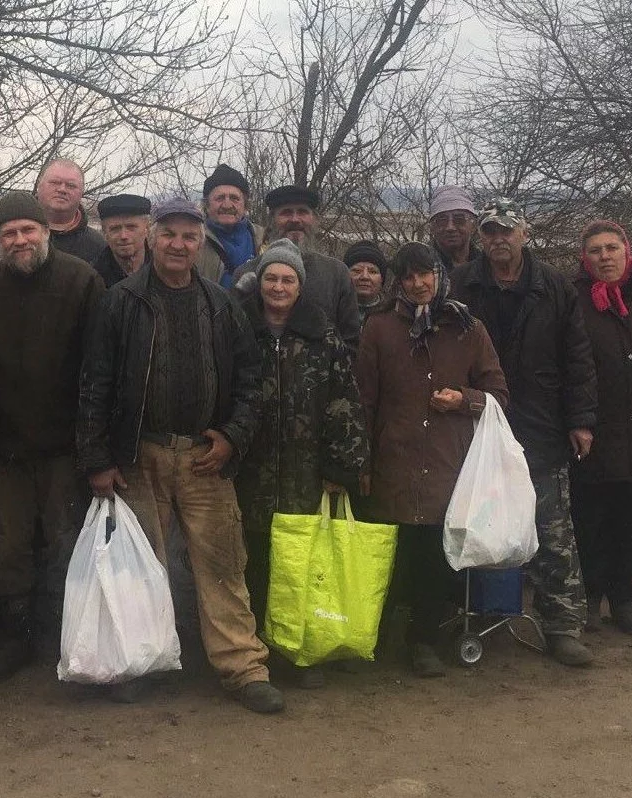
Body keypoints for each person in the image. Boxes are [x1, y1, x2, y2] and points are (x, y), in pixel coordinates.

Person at [77, 197, 284, 714]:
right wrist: (98, 460)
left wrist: (232, 436)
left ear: (200, 243)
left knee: (222, 565)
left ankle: (242, 668)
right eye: (169, 234)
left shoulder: (221, 304)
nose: (178, 244)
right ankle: (139, 661)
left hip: (204, 456)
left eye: (189, 236)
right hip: (139, 455)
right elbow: (95, 384)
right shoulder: (121, 301)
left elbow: (252, 381)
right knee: (140, 566)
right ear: (152, 237)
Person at [450, 198, 596, 667]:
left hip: (542, 424)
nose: (497, 239)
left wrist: (581, 419)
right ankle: (460, 613)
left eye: (505, 230)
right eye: (489, 231)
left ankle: (563, 624)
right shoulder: (463, 285)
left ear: (524, 234)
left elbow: (577, 357)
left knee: (554, 530)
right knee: (469, 522)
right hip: (477, 425)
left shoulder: (554, 286)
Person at [357, 242, 508, 678]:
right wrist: (362, 463)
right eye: (408, 276)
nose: (418, 283)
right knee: (390, 556)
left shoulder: (468, 328)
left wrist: (465, 399)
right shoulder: (380, 328)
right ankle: (376, 639)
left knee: (435, 560)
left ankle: (424, 642)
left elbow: (499, 394)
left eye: (426, 274)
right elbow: (364, 400)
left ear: (441, 276)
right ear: (398, 282)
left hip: (448, 466)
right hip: (393, 463)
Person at [0, 192, 104, 682]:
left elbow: (97, 369)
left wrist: (92, 443)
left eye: (28, 230)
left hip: (63, 446)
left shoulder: (81, 280)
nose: (20, 240)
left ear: (47, 231)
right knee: (7, 546)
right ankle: (12, 636)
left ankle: (58, 635)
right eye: (9, 233)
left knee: (64, 543)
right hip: (4, 445)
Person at [234, 238, 368, 632]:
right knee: (253, 562)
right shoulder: (239, 330)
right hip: (250, 473)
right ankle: (255, 647)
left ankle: (296, 646)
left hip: (305, 476)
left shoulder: (323, 338)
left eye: (287, 280)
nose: (278, 287)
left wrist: (342, 466)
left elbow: (344, 403)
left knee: (300, 566)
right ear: (259, 283)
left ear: (300, 286)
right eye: (271, 278)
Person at [569, 221, 632, 636]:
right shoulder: (575, 300)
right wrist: (577, 418)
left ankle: (626, 600)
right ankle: (590, 599)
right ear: (584, 259)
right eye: (594, 251)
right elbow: (569, 361)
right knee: (591, 520)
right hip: (593, 431)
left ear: (627, 249)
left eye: (611, 248)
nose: (604, 256)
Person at [233, 185, 361, 346]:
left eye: (302, 212)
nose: (295, 219)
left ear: (314, 219)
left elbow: (351, 340)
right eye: (286, 212)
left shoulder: (336, 274)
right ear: (272, 221)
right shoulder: (246, 273)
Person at [196, 164, 264, 287]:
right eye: (220, 198)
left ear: (245, 205)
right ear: (207, 205)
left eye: (234, 198)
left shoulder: (264, 239)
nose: (227, 205)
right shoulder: (195, 240)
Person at [34, 158, 106, 264]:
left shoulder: (98, 246)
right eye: (55, 182)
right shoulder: (11, 234)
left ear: (82, 192)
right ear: (39, 185)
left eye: (71, 185)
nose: (62, 189)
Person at [91, 194, 151, 288]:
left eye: (131, 227)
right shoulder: (94, 279)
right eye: (115, 229)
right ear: (104, 233)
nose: (123, 236)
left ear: (147, 229)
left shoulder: (164, 270)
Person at [428, 186, 479, 272]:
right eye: (442, 220)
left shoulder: (490, 267)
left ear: (473, 225)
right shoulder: (420, 268)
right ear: (432, 227)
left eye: (459, 219)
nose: (450, 227)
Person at [343, 239, 389, 326]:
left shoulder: (394, 317)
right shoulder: (330, 314)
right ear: (344, 275)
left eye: (372, 272)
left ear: (382, 279)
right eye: (357, 270)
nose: (365, 276)